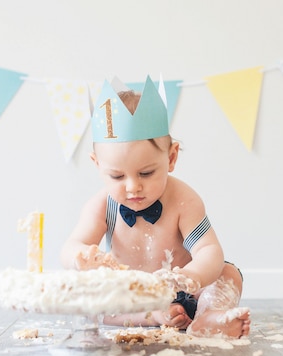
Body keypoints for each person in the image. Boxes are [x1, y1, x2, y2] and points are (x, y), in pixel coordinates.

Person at [60, 76, 250, 338]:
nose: (132, 187)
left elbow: (209, 249)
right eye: (117, 177)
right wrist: (81, 258)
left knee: (228, 273)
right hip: (127, 297)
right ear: (97, 165)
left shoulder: (184, 199)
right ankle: (153, 316)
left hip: (182, 290)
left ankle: (208, 316)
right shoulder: (101, 205)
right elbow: (71, 246)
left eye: (147, 173)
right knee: (83, 293)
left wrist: (192, 275)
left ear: (171, 158)